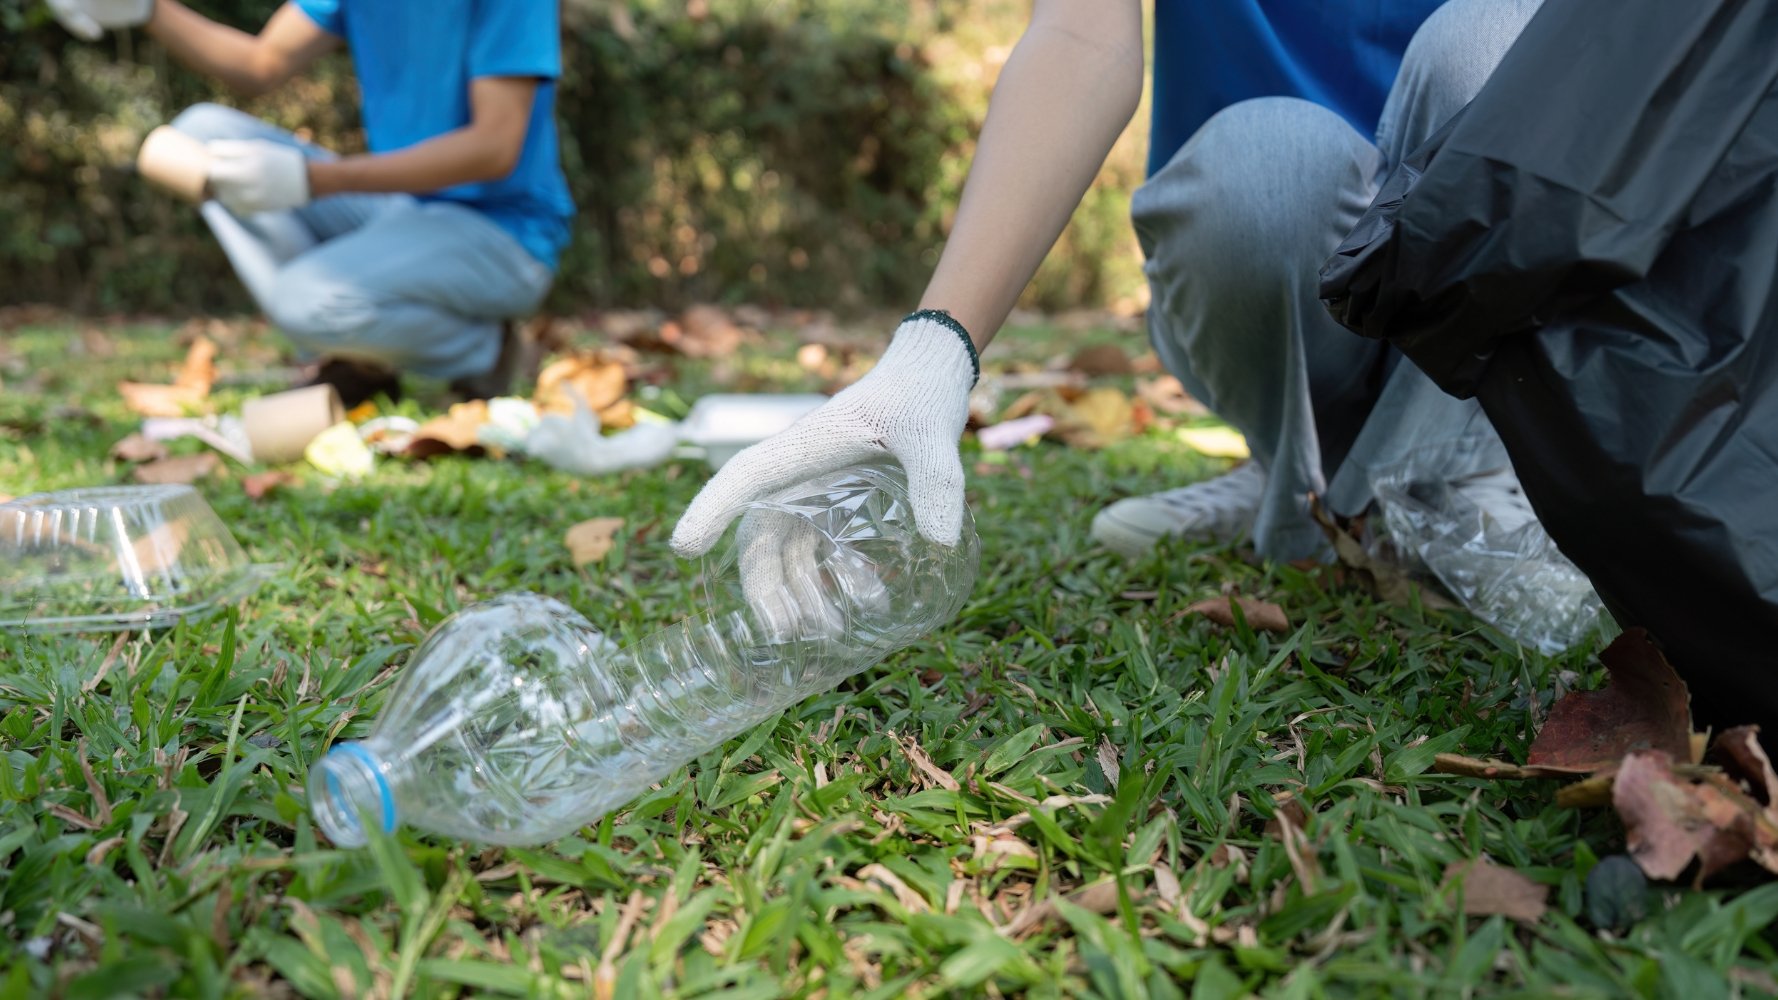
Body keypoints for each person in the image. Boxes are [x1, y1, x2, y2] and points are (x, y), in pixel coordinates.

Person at [672, 0, 1546, 573]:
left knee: (1509, 36)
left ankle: (1430, 482)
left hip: (1505, 272)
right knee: (1270, 163)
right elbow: (1080, 34)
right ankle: (1296, 468)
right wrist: (931, 353)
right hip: (1257, 251)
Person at [48, 0, 575, 406]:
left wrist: (315, 180)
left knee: (304, 300)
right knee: (202, 137)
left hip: (505, 235)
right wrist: (149, 10)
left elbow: (494, 147)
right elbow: (260, 63)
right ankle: (360, 357)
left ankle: (487, 351)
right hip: (401, 212)